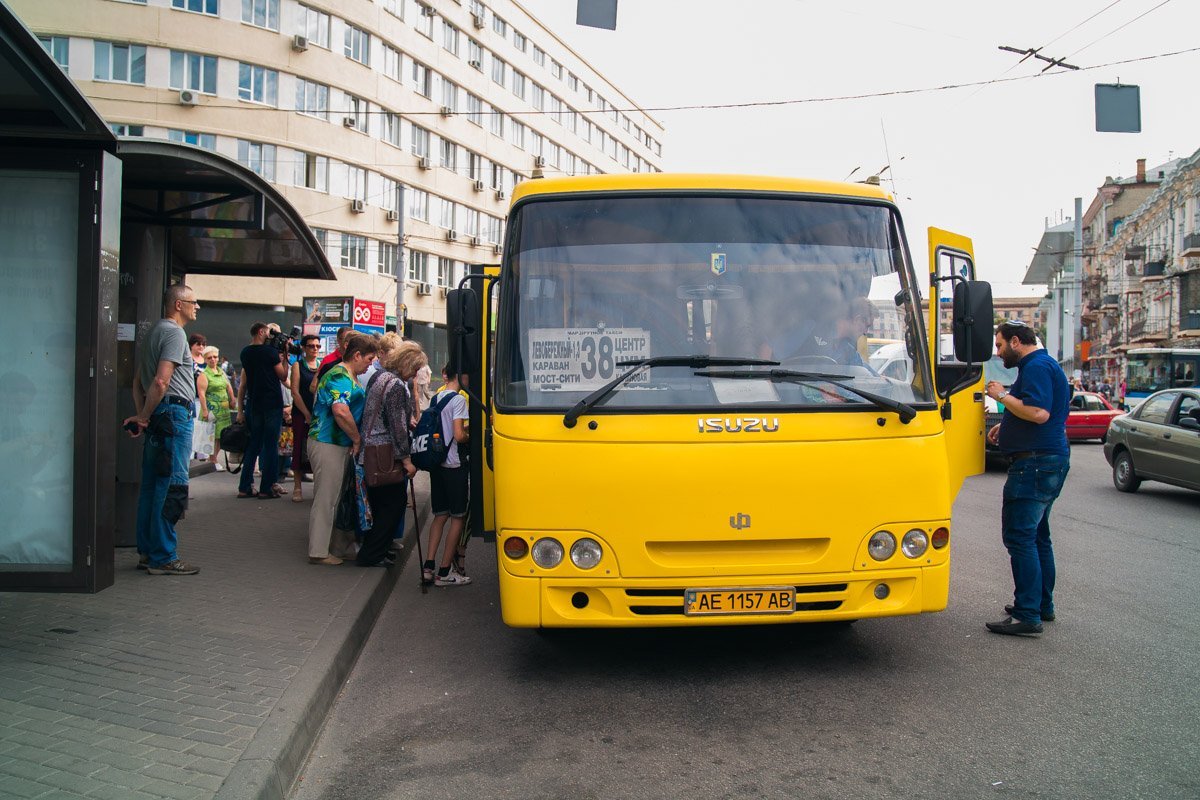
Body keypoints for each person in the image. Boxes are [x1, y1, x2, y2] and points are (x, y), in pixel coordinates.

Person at [983, 320, 1071, 636]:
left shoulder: (1035, 366)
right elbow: (1041, 412)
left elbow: (1038, 413)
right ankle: (1040, 605)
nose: (999, 351)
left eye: (1000, 345)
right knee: (1037, 537)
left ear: (1016, 341)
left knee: (1020, 537)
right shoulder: (1043, 365)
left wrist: (1001, 395)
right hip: (1048, 460)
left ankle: (1027, 613)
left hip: (1034, 464)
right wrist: (1005, 426)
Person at [122, 285, 201, 576]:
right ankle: (164, 556)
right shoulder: (173, 333)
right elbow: (160, 381)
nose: (198, 306)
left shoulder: (153, 332)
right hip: (173, 415)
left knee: (152, 485)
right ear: (178, 304)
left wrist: (144, 413)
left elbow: (137, 383)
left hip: (160, 415)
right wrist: (144, 416)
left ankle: (147, 551)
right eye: (194, 302)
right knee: (171, 485)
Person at [306, 333, 377, 565]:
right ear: (356, 355)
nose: (370, 365)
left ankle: (332, 546)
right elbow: (340, 411)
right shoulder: (339, 375)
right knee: (326, 498)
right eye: (368, 359)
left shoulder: (346, 374)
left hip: (335, 443)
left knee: (333, 496)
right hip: (328, 442)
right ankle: (318, 551)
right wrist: (356, 439)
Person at [355, 342, 425, 567]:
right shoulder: (395, 386)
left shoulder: (380, 377)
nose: (415, 374)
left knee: (380, 505)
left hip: (370, 450)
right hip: (384, 454)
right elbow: (397, 427)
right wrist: (406, 460)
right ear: (406, 364)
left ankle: (378, 550)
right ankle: (371, 554)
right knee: (393, 505)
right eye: (414, 369)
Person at [422, 365, 472, 586]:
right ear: (460, 376)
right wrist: (470, 435)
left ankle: (428, 566)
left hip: (437, 463)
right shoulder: (459, 400)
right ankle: (445, 572)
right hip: (454, 464)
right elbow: (459, 435)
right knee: (458, 517)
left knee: (439, 515)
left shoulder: (436, 397)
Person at [235, 322, 289, 499]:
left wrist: (241, 411)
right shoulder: (270, 353)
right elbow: (282, 376)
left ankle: (245, 486)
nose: (269, 335)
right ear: (260, 331)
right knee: (271, 445)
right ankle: (266, 487)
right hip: (272, 403)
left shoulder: (245, 352)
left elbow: (245, 383)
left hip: (253, 403)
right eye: (267, 332)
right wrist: (285, 355)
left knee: (254, 444)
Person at [289, 334, 321, 501]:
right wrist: (306, 414)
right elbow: (295, 391)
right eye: (311, 346)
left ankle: (317, 486)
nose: (314, 349)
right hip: (300, 413)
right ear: (303, 347)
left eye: (317, 346)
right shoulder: (297, 365)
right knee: (298, 448)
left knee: (316, 450)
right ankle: (297, 487)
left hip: (317, 415)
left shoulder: (321, 365)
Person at [197, 346, 235, 471]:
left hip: (223, 410)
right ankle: (213, 459)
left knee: (220, 435)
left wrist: (232, 399)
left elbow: (228, 386)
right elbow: (201, 394)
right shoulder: (204, 375)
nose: (213, 360)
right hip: (212, 409)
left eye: (215, 357)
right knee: (211, 436)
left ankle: (213, 459)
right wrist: (205, 410)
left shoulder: (221, 371)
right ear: (205, 360)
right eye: (209, 358)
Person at [312, 326, 353, 395]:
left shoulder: (356, 359)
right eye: (346, 339)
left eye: (352, 339)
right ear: (338, 340)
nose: (349, 343)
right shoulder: (328, 360)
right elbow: (314, 387)